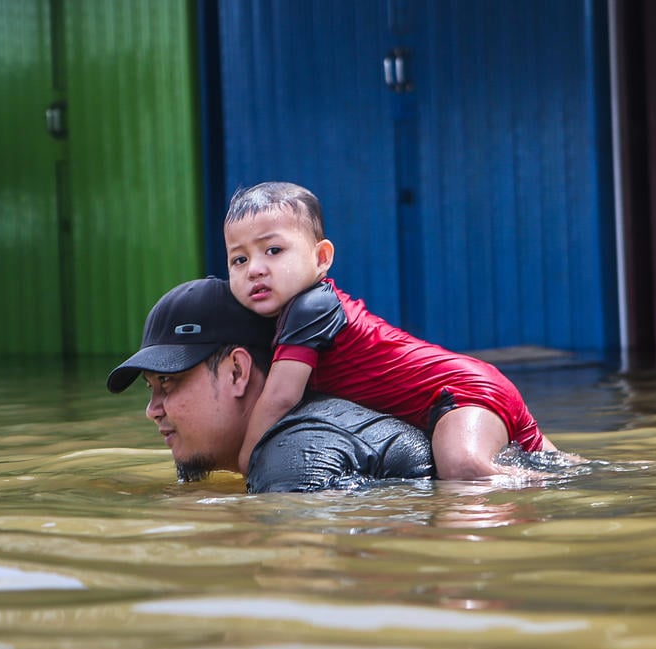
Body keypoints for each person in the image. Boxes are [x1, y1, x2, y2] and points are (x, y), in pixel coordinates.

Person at [224, 181, 559, 480]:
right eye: (239, 260)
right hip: (465, 388)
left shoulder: (310, 307)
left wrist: (245, 457)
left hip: (458, 393)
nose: (254, 269)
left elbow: (281, 396)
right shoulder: (292, 314)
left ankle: (542, 485)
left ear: (321, 258)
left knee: (462, 470)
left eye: (273, 250)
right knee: (561, 463)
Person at [106, 277, 435, 493]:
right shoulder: (295, 439)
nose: (152, 411)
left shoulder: (294, 452)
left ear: (237, 371)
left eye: (168, 381)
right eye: (151, 387)